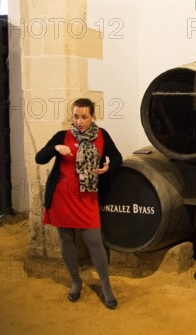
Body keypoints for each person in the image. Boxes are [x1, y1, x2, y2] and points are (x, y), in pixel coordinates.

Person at [35, 98, 123, 309]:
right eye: (76, 116)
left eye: (84, 116)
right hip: (62, 198)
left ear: (92, 117)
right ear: (72, 117)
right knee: (66, 241)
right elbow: (40, 158)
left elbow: (117, 157)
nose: (80, 121)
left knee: (94, 241)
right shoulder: (62, 136)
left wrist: (107, 168)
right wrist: (55, 148)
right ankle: (75, 281)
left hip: (87, 197)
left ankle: (106, 286)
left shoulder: (102, 136)